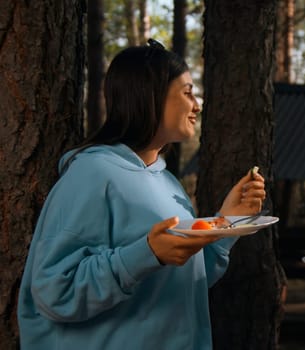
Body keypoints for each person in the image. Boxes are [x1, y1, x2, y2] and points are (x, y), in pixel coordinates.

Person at [17, 39, 266, 350]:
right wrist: (147, 254)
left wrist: (227, 223)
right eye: (187, 92)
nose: (197, 105)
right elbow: (55, 292)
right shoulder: (92, 175)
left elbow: (185, 281)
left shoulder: (167, 182)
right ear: (151, 95)